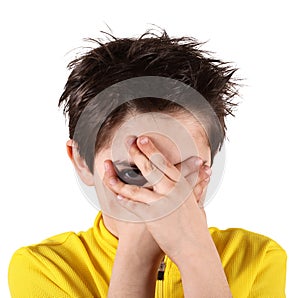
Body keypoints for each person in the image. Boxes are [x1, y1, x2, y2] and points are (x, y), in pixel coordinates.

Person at [8, 30, 287, 297]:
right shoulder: (45, 268)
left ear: (209, 163)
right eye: (133, 172)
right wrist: (136, 254)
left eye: (181, 172)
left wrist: (195, 252)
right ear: (82, 162)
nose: (160, 197)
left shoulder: (258, 258)